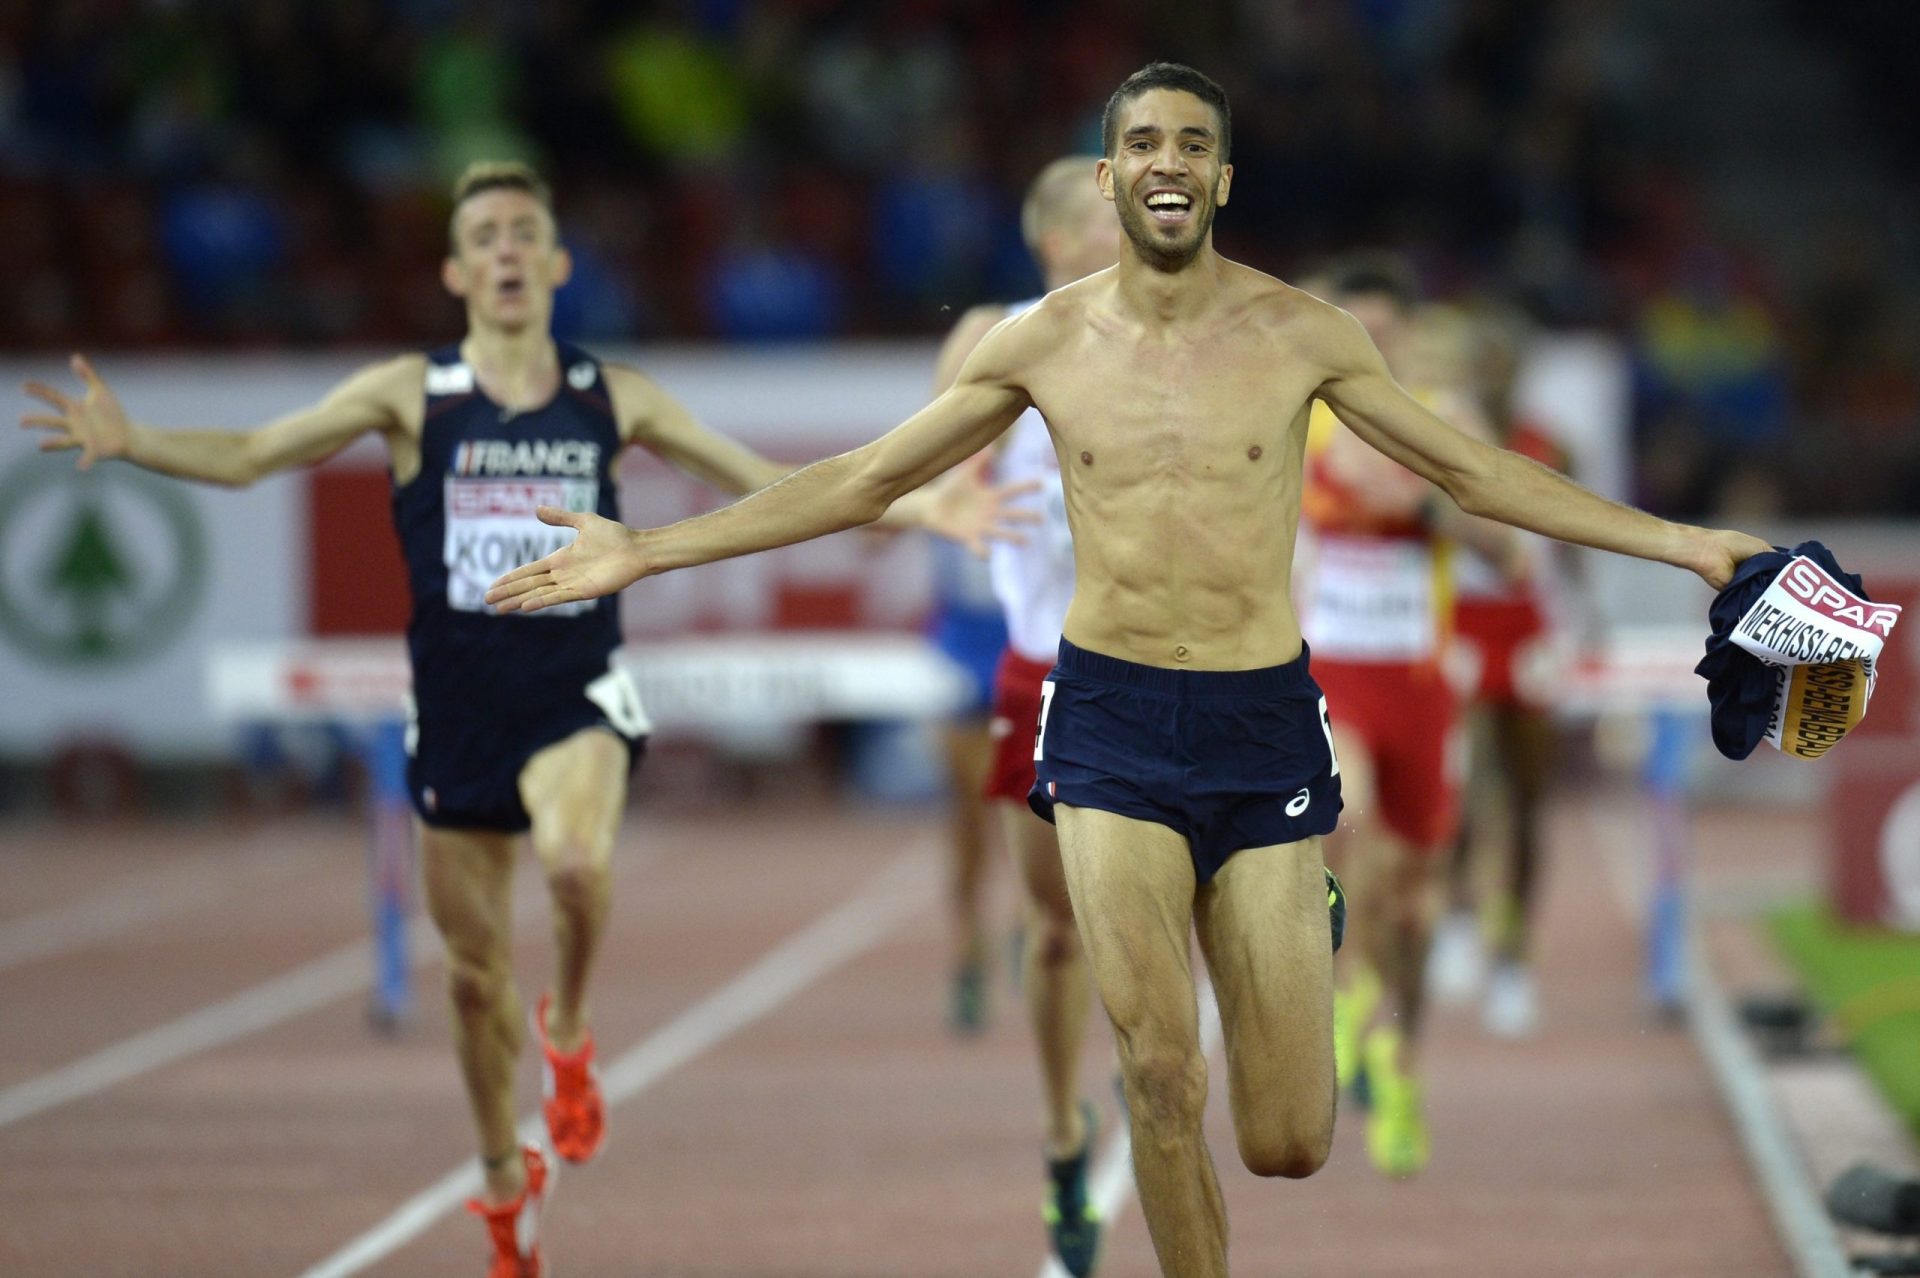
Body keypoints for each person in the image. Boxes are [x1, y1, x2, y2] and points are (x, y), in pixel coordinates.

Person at [483, 66, 1769, 1278]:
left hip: (1263, 719)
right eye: (1144, 144)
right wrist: (648, 548)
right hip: (1103, 719)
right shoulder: (1041, 344)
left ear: (1223, 181)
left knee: (1287, 1138)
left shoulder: (1299, 334)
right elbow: (870, 478)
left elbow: (1477, 475)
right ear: (1109, 178)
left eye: (1194, 146)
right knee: (1158, 1075)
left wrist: (1690, 546)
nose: (1169, 164)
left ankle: (1301, 924)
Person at [20, 161, 1024, 1278]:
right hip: (456, 710)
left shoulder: (613, 395)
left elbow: (762, 480)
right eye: (484, 234)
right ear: (455, 269)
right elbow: (258, 455)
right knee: (469, 976)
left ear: (554, 265)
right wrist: (136, 440)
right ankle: (504, 1175)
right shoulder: (411, 393)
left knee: (580, 866)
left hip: (576, 692)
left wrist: (919, 500)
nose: (504, 249)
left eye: (523, 233)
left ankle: (572, 1027)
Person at [1296, 259, 1521, 1178]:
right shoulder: (1292, 410)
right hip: (1327, 669)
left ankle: (1402, 1055)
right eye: (1359, 329)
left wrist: (1431, 502)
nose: (1373, 346)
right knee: (1345, 819)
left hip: (1419, 684)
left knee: (1413, 901)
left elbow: (1507, 548)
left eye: (1387, 332)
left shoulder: (1443, 418)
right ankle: (1347, 995)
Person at [936, 154, 1120, 1275]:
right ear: (1054, 240)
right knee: (1056, 928)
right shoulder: (996, 338)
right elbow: (902, 475)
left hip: (1179, 670)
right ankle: (1062, 1134)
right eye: (1110, 213)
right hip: (1042, 675)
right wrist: (941, 505)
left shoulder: (1196, 330)